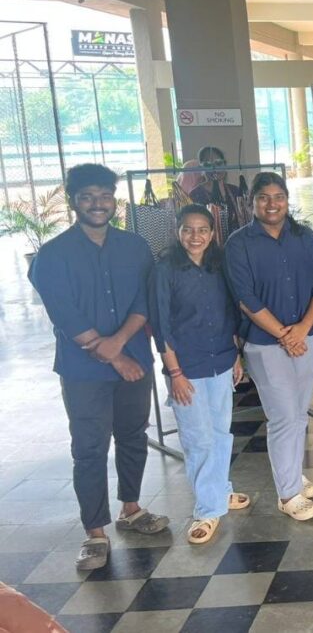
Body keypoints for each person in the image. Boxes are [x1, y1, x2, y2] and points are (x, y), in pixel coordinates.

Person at [29, 164, 168, 570]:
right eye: (88, 196)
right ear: (74, 200)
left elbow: (145, 300)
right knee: (89, 448)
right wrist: (113, 355)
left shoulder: (135, 247)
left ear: (114, 200)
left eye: (104, 196)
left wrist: (120, 344)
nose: (97, 204)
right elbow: (64, 312)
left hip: (134, 360)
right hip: (83, 370)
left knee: (133, 435)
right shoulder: (53, 254)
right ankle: (95, 533)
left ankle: (132, 509)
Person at [225, 172, 313, 521]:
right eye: (263, 197)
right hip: (265, 345)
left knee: (298, 413)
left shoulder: (306, 237)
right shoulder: (238, 244)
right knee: (283, 416)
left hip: (309, 337)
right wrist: (285, 335)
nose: (272, 204)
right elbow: (245, 298)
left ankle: (293, 475)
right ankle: (288, 495)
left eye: (278, 196)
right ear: (251, 203)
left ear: (287, 199)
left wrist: (301, 330)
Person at [150, 205, 247, 543]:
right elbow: (161, 326)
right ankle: (207, 509)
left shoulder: (218, 266)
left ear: (212, 233)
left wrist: (235, 356)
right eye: (188, 229)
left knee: (220, 432)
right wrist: (174, 372)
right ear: (177, 232)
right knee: (197, 439)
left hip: (221, 359)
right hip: (186, 367)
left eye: (202, 229)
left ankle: (221, 491)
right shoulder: (165, 269)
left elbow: (229, 314)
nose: (195, 236)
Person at [188, 146, 246, 235]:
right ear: (201, 168)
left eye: (218, 163)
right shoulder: (195, 195)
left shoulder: (235, 191)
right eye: (208, 165)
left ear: (225, 165)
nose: (214, 168)